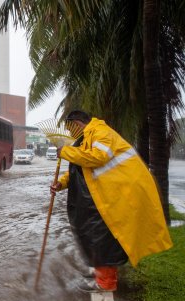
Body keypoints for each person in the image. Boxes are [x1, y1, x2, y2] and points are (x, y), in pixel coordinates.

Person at [50, 110, 173, 293]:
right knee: (95, 238)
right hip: (99, 197)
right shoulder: (86, 138)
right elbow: (81, 168)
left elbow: (98, 158)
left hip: (113, 198)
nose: (69, 133)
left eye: (70, 128)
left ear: (77, 122)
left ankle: (105, 284)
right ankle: (102, 275)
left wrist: (66, 151)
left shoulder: (101, 132)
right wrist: (62, 183)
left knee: (102, 241)